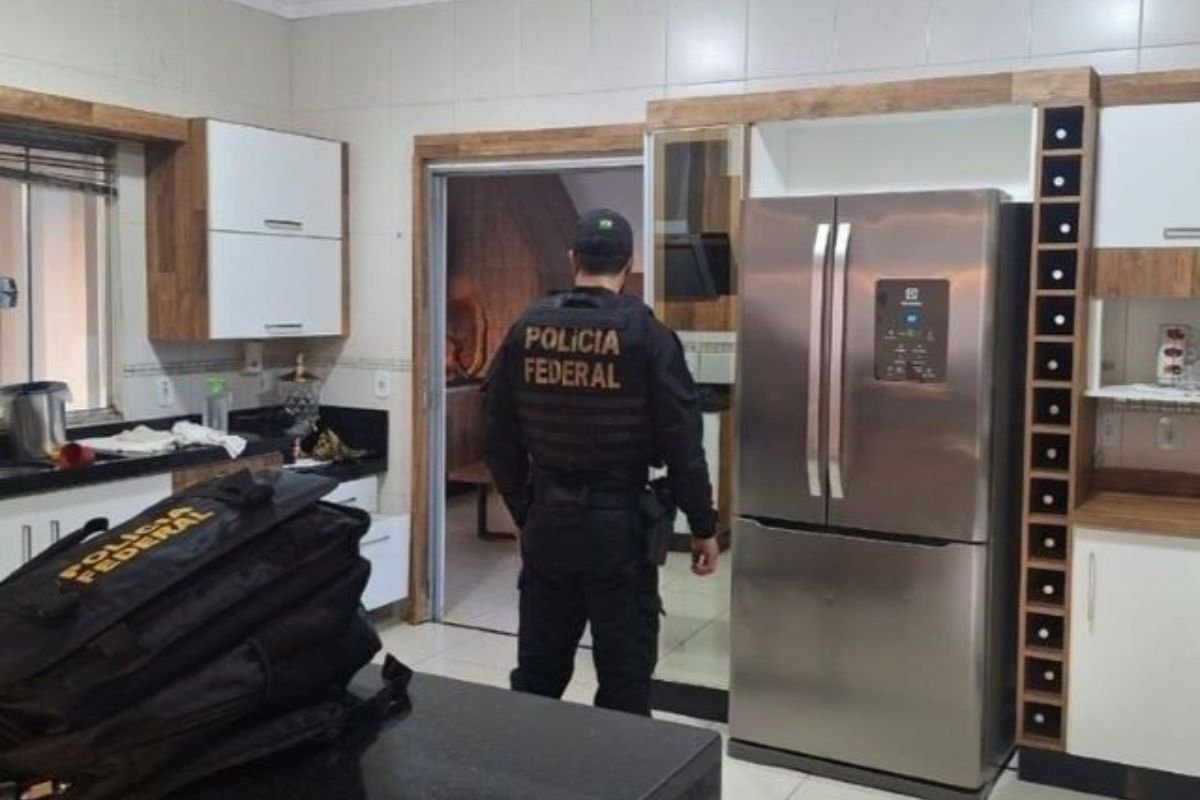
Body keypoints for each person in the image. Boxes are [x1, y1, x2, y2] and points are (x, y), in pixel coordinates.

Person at [484, 207, 719, 717]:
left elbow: (497, 435)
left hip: (548, 524)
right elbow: (684, 446)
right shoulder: (648, 336)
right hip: (620, 532)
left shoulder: (526, 329)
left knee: (537, 678)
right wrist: (704, 526)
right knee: (624, 684)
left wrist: (524, 508)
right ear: (629, 264)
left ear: (573, 258)